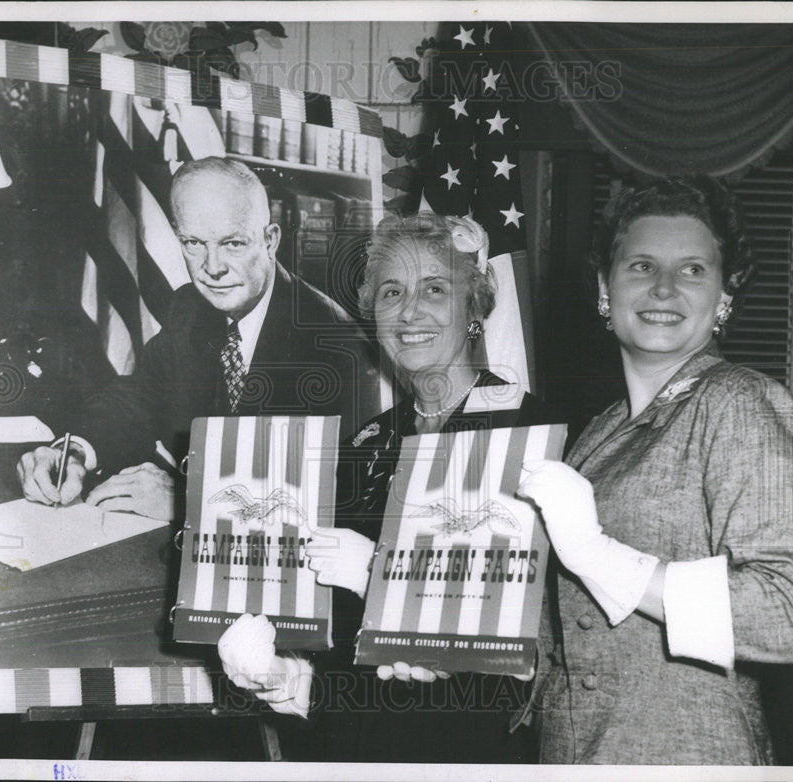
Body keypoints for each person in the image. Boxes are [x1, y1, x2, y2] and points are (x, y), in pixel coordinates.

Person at [216, 213, 560, 763]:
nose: (409, 311)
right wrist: (293, 679)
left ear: (475, 309)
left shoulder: (529, 435)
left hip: (475, 749)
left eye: (435, 289)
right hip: (360, 748)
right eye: (391, 292)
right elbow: (346, 639)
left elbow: (521, 639)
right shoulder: (363, 445)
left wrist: (377, 572)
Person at [510, 174, 793, 764]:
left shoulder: (740, 403)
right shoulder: (598, 432)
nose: (663, 288)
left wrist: (602, 555)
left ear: (724, 296)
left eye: (692, 270)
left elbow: (784, 615)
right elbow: (572, 638)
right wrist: (443, 638)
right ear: (605, 289)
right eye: (641, 266)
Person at [16, 157, 380, 519]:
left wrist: (193, 501)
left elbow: (341, 495)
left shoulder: (336, 342)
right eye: (193, 242)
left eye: (233, 243)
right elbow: (140, 396)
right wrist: (73, 452)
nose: (213, 268)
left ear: (270, 241)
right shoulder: (190, 306)